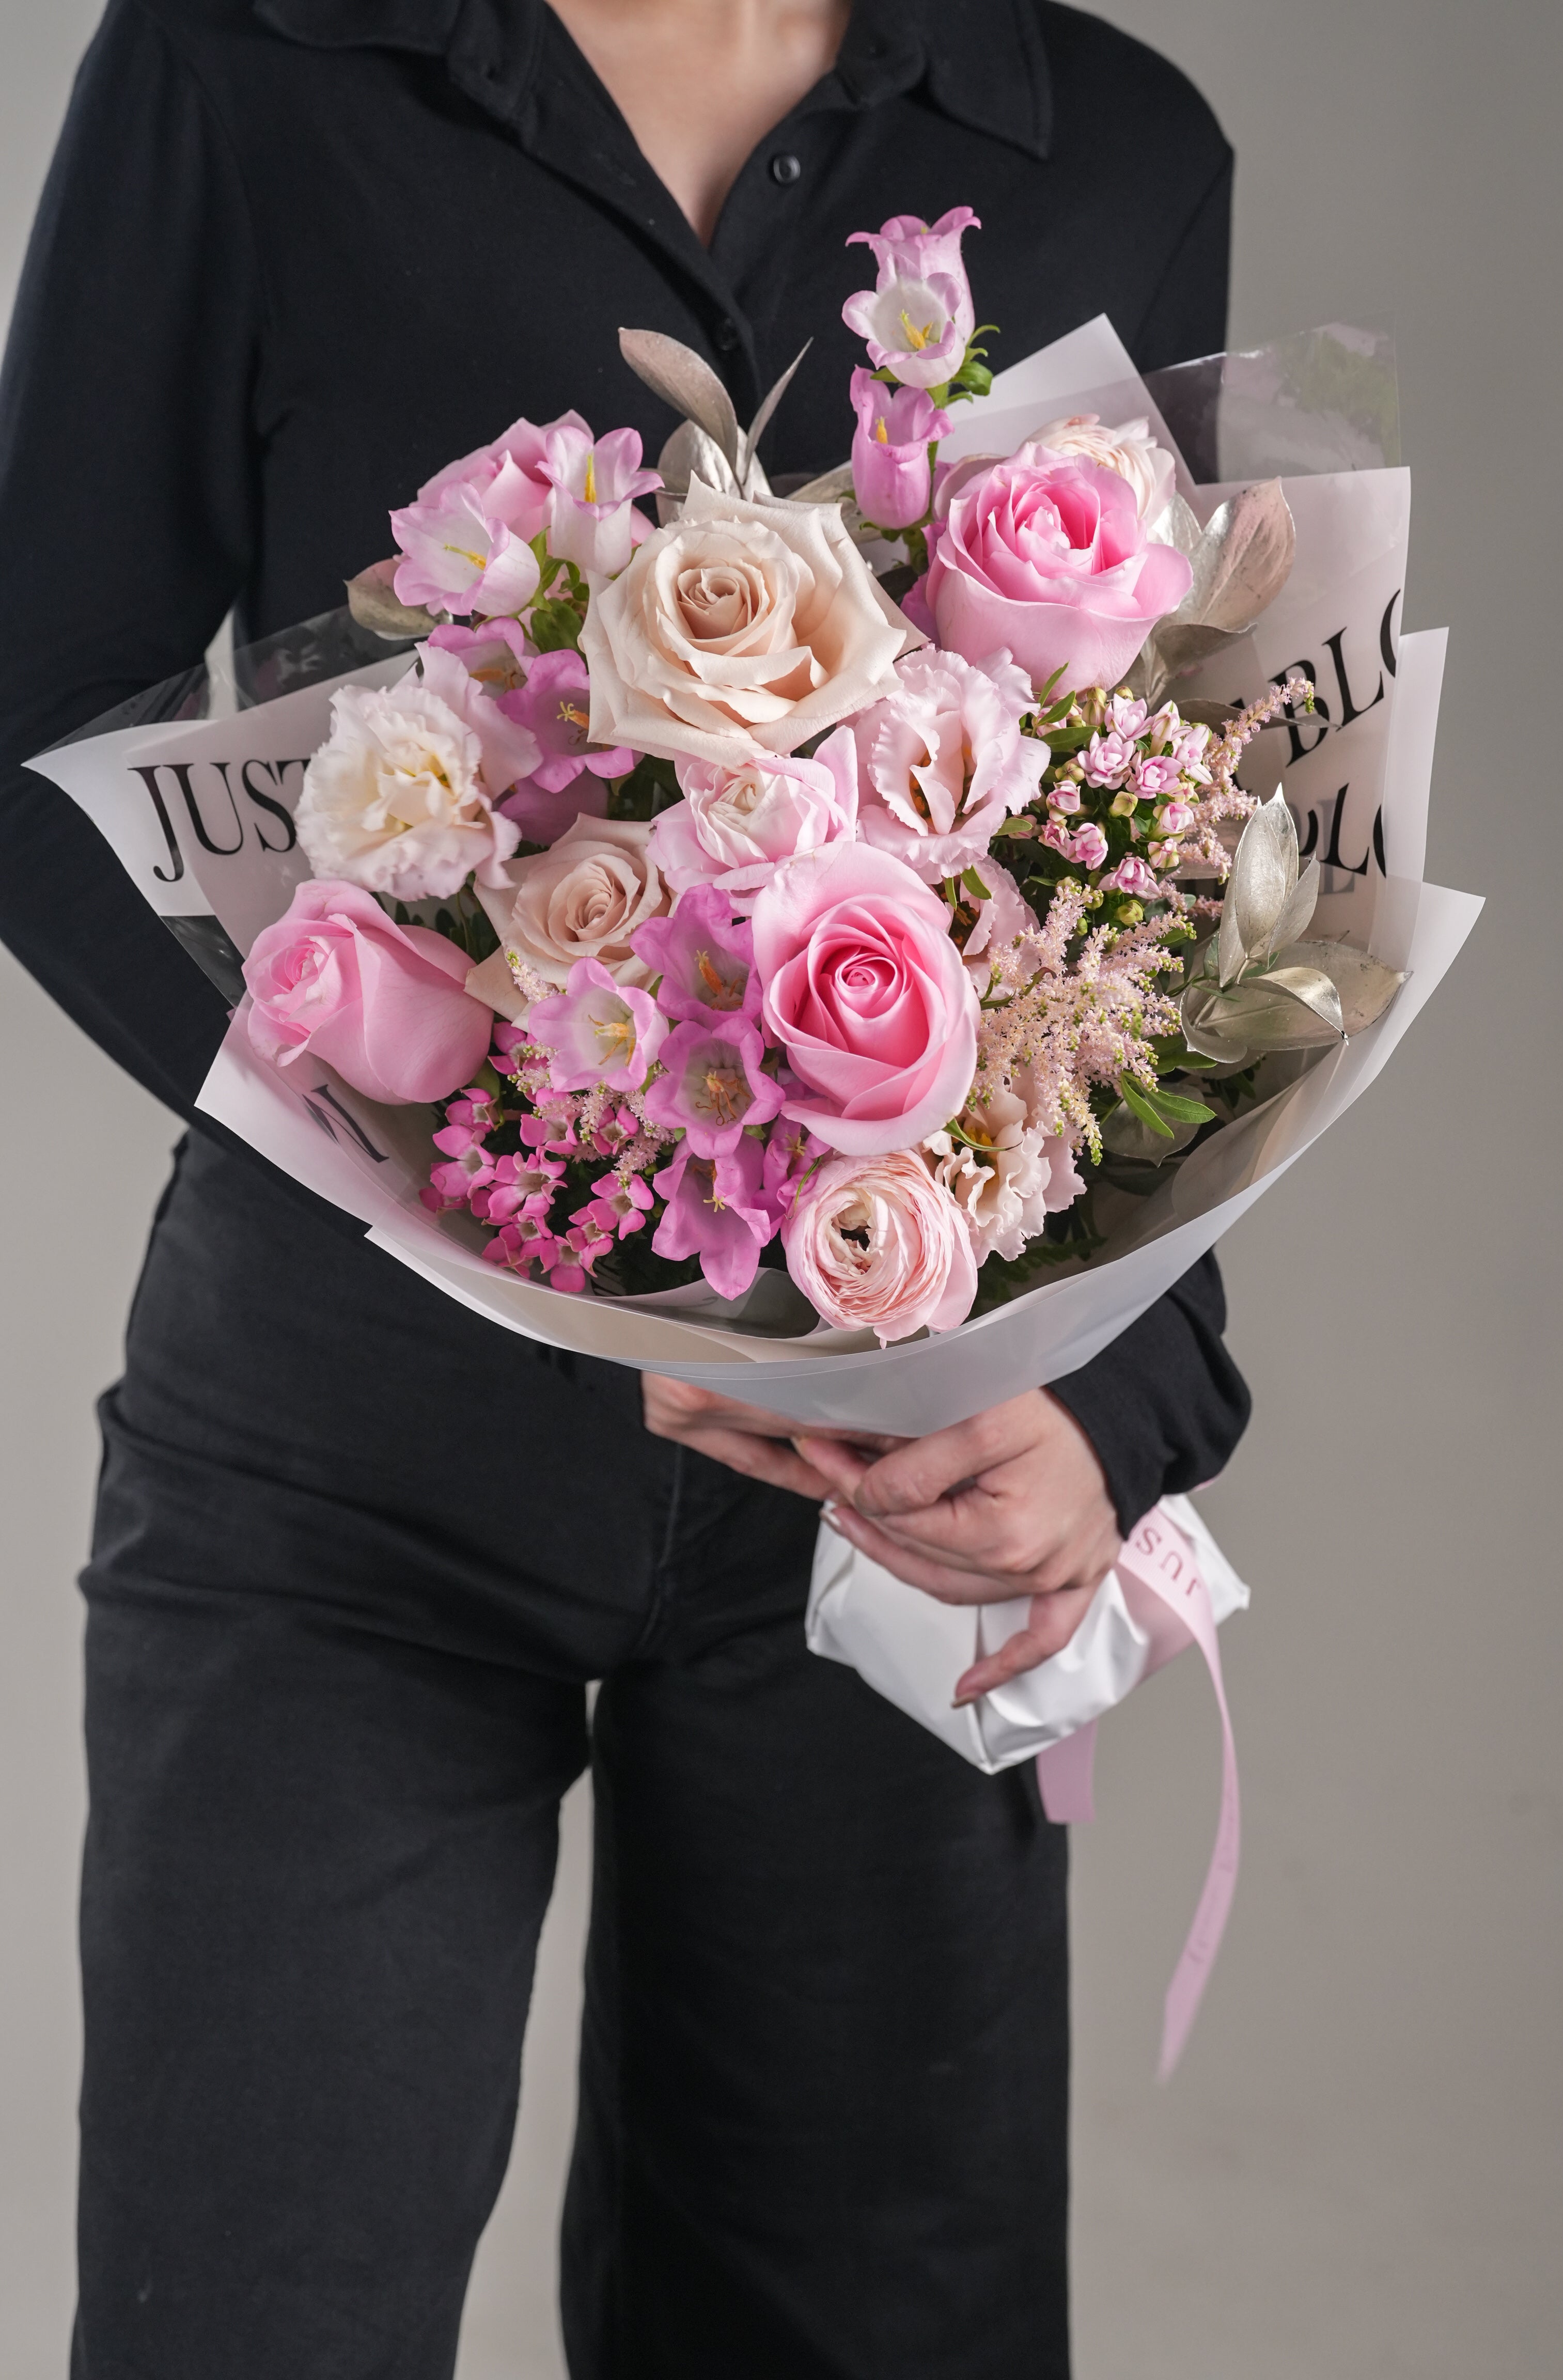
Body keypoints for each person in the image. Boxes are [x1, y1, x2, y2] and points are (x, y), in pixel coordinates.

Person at [0, 2, 1248, 2372]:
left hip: (887, 1468)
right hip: (346, 1456)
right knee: (245, 2321)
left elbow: (1178, 843)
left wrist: (1120, 1398)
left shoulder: (1107, 142)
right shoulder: (242, 62)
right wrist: (476, 1171)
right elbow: (34, 705)